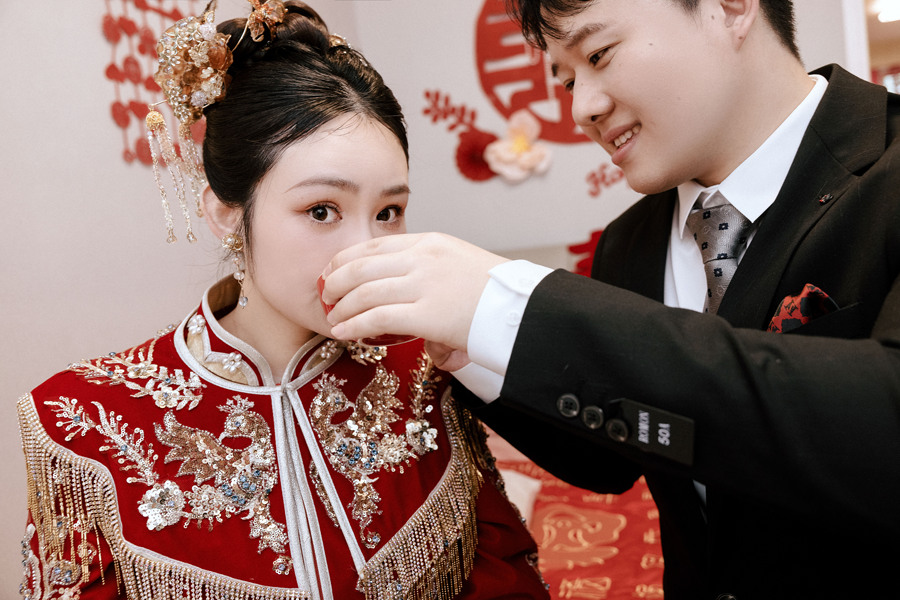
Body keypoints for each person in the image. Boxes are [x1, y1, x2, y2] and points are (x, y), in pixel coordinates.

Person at [320, 0, 900, 598]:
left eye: (598, 55)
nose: (582, 109)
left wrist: (512, 307)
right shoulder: (631, 242)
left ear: (730, 8)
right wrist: (469, 350)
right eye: (568, 81)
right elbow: (616, 456)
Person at [16, 2, 551, 598]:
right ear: (227, 213)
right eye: (321, 210)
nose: (365, 251)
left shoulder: (423, 365)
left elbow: (502, 575)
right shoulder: (86, 420)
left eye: (388, 212)